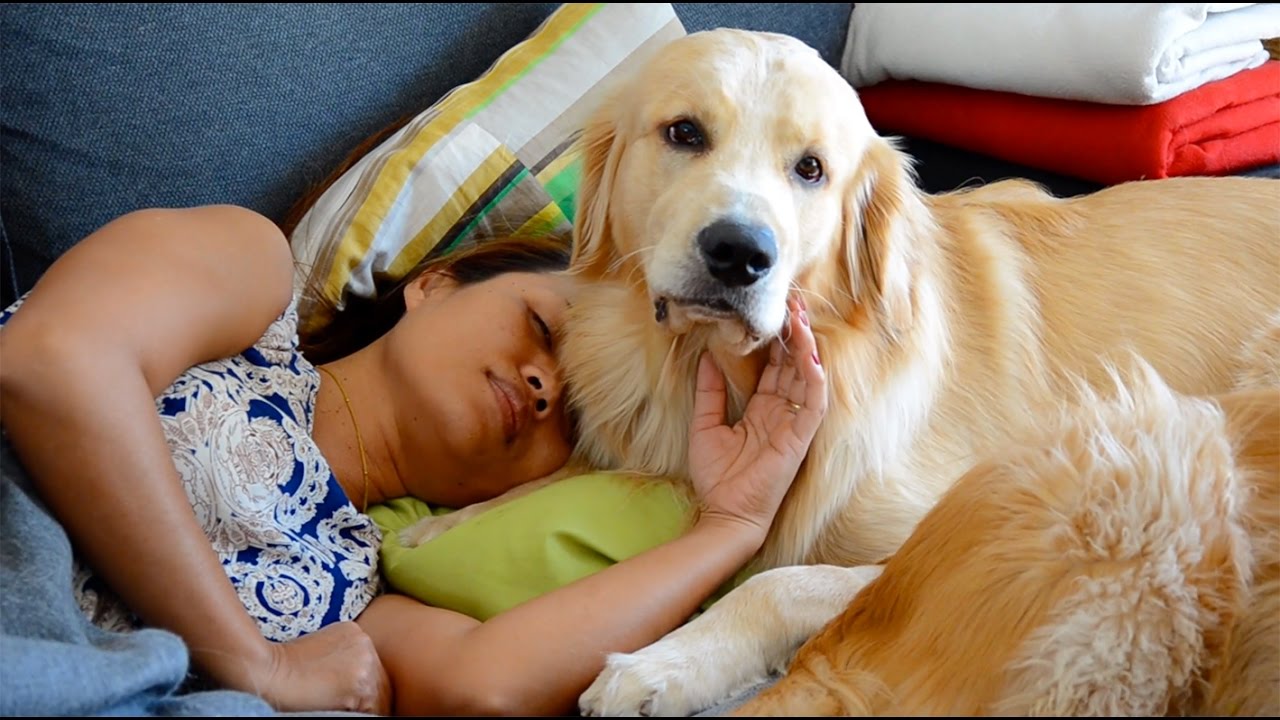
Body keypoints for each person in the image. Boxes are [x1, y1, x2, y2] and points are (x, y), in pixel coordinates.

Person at [0, 200, 827, 715]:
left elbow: (485, 687)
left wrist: (730, 523)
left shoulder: (359, 602)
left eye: (573, 418)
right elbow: (53, 362)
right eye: (542, 327)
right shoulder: (252, 280)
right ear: (436, 283)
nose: (545, 386)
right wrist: (254, 664)